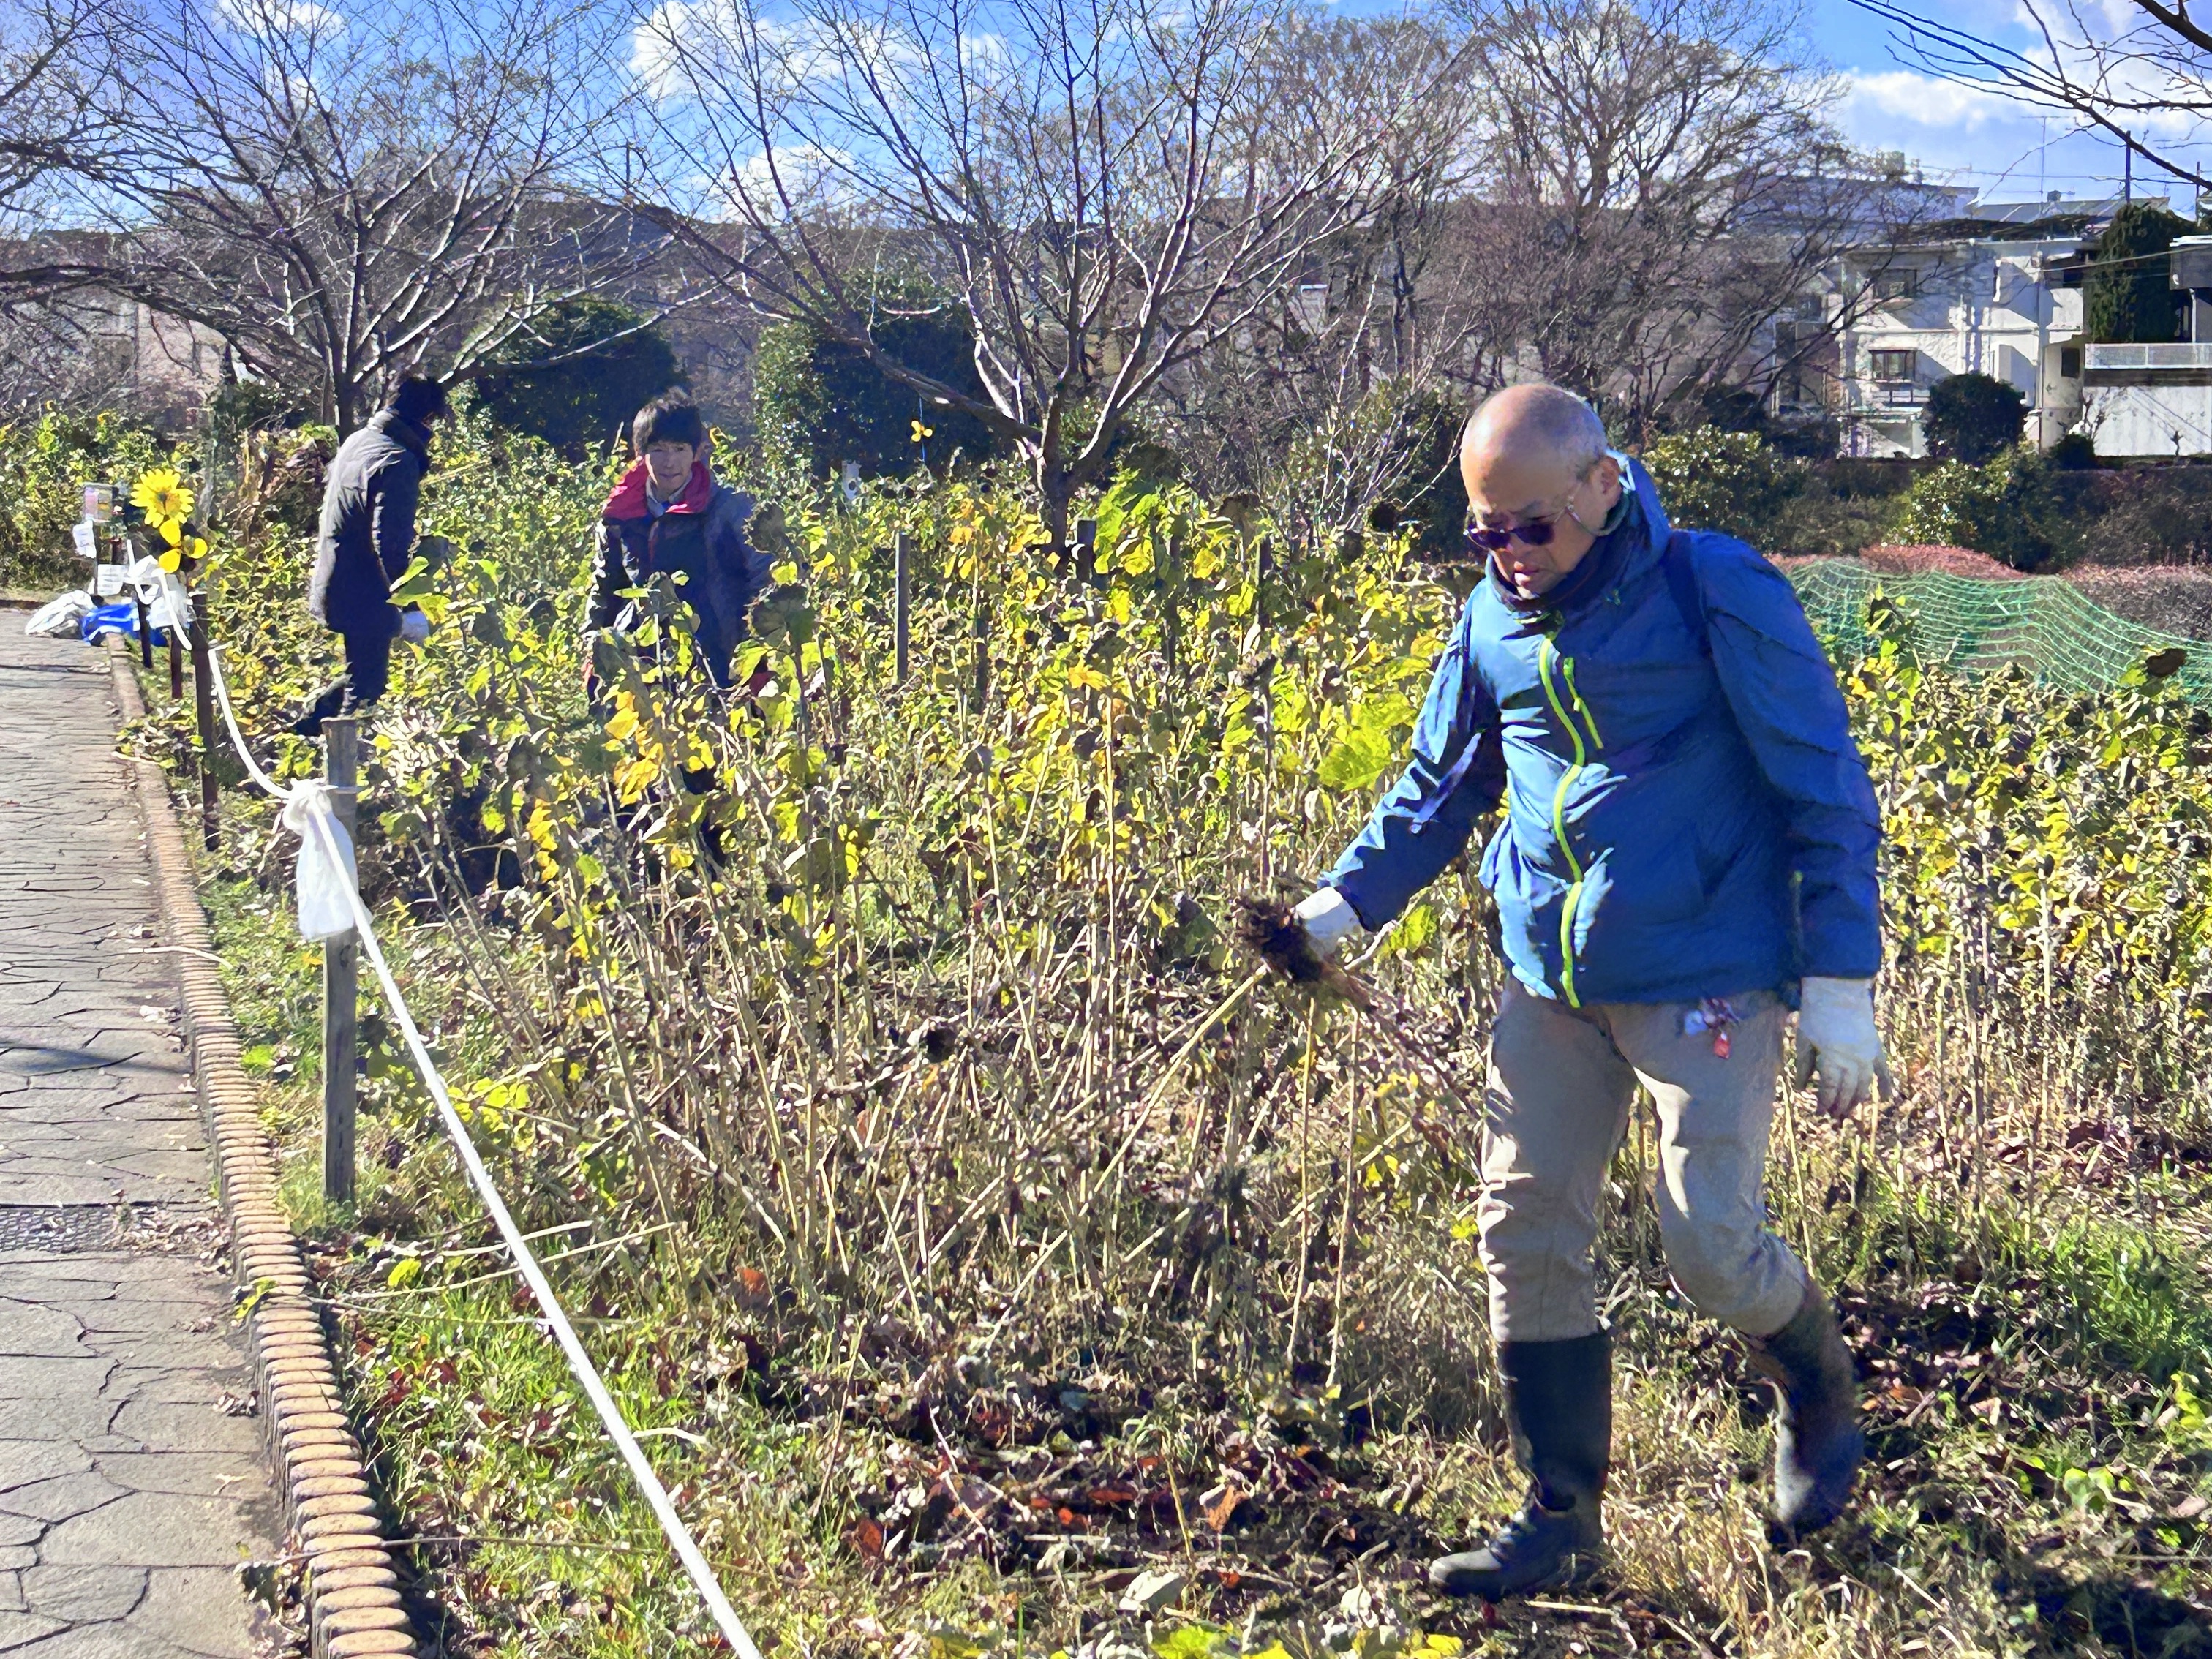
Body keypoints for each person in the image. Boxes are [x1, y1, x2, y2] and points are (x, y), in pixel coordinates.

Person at [1291, 384, 1889, 1600]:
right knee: (1521, 1226)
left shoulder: (1711, 588)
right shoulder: (1488, 617)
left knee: (1709, 1246)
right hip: (1549, 979)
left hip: (1704, 972)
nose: (1511, 554)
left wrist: (1839, 981)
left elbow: (1822, 782)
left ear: (1602, 488)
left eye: (1533, 527)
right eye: (1485, 531)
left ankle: (1817, 1381)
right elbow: (1440, 786)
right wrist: (1342, 904)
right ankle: (1559, 1516)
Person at [587, 393, 770, 694]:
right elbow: (604, 591)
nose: (669, 462)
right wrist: (595, 652)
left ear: (696, 452)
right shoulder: (619, 515)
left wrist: (757, 656)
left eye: (679, 449)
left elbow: (766, 578)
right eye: (658, 450)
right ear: (640, 453)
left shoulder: (728, 509)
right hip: (642, 667)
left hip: (720, 665)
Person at [298, 375, 447, 735]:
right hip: (365, 590)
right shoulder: (398, 460)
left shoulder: (359, 441)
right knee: (366, 691)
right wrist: (409, 608)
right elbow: (389, 546)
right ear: (427, 417)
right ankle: (343, 760)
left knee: (362, 671)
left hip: (336, 576)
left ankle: (310, 725)